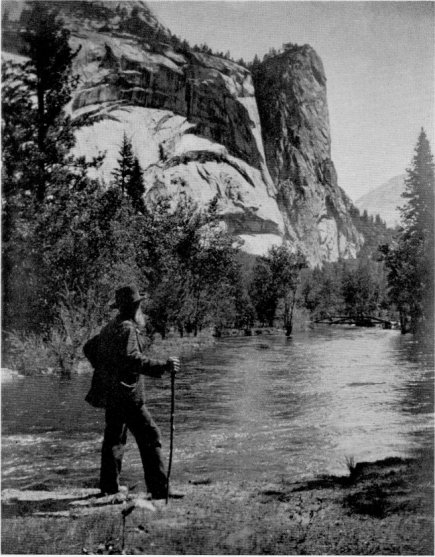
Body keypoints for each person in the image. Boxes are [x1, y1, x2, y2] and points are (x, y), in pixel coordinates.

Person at [84, 284, 181, 500]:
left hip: (112, 395)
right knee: (150, 436)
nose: (141, 310)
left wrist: (106, 372)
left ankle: (109, 487)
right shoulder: (127, 328)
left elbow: (88, 348)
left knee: (114, 440)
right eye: (139, 306)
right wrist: (163, 366)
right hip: (128, 396)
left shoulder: (110, 327)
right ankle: (159, 490)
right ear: (135, 307)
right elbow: (132, 359)